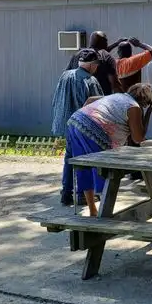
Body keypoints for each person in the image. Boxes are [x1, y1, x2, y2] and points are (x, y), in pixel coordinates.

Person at [66, 83, 152, 216]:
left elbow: (90, 99)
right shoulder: (133, 107)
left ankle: (93, 210)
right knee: (104, 171)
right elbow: (138, 138)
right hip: (94, 130)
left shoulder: (118, 96)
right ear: (145, 101)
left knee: (83, 168)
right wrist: (148, 114)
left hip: (75, 121)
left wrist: (89, 115)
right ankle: (105, 212)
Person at [52, 49, 104, 206]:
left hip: (66, 123)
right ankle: (82, 194)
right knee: (83, 160)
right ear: (92, 65)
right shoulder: (90, 80)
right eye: (96, 65)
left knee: (69, 158)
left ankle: (66, 193)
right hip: (82, 126)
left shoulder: (65, 75)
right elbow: (99, 105)